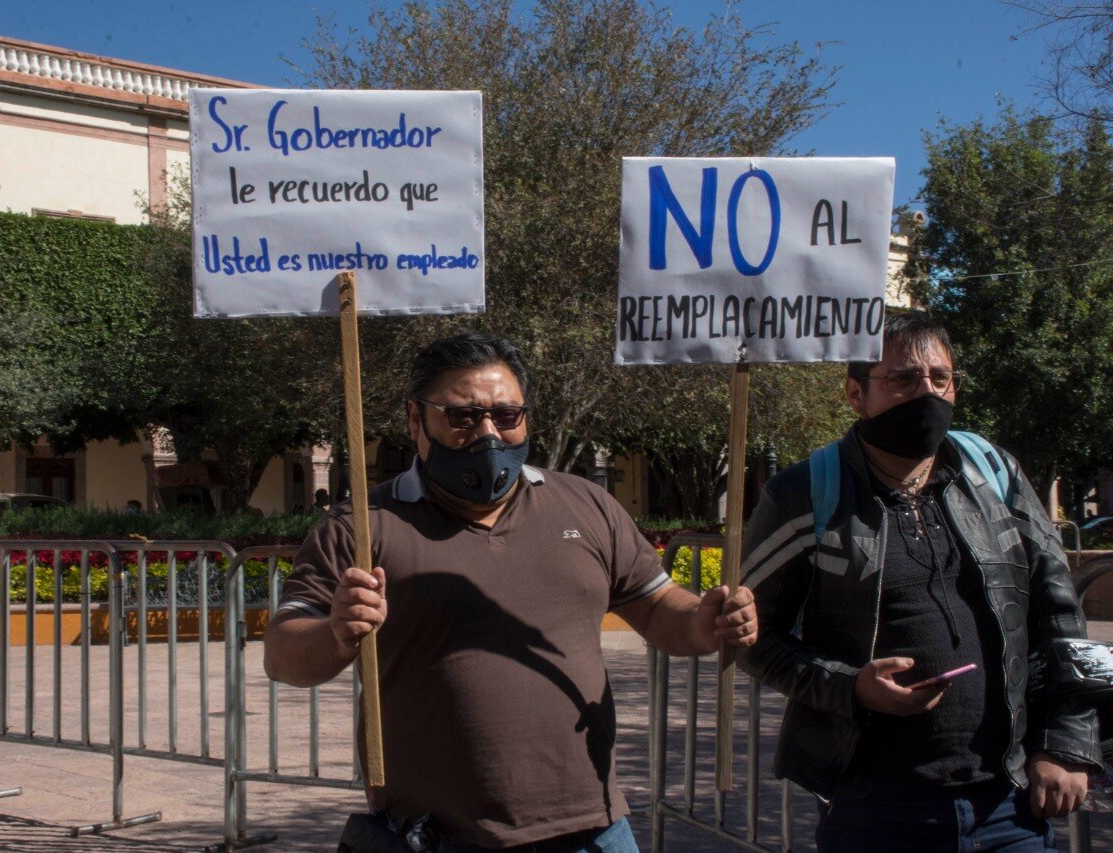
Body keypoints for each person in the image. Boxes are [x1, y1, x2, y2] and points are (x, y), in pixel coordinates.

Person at [264, 331, 758, 851]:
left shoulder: (587, 506)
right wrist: (337, 632)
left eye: (506, 415)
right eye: (462, 417)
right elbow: (283, 655)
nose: (488, 434)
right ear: (417, 420)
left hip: (595, 828)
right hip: (438, 835)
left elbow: (658, 607)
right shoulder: (361, 528)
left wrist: (703, 622)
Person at [738, 313, 1100, 851]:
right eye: (903, 379)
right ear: (855, 394)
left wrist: (1067, 743)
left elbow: (1060, 611)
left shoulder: (993, 472)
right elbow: (752, 638)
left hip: (1010, 800)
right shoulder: (802, 493)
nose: (926, 392)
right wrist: (850, 687)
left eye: (940, 378)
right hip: (874, 802)